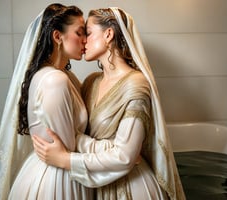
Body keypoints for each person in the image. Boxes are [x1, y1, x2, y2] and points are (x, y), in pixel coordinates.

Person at [33, 7, 186, 200]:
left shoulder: (136, 84)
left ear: (108, 34)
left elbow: (125, 156)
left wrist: (65, 159)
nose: (83, 41)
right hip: (92, 183)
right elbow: (76, 129)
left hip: (129, 186)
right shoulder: (90, 82)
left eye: (87, 33)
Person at [0, 3, 93, 200]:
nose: (86, 40)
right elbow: (66, 147)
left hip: (58, 170)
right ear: (57, 36)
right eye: (80, 33)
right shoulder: (55, 80)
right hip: (56, 181)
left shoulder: (64, 76)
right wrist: (116, 153)